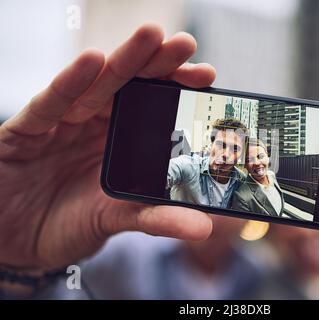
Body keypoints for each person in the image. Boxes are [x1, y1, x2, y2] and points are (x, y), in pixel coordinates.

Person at [0, 23, 217, 297]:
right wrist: (19, 262)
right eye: (219, 145)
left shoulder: (260, 274)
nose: (223, 154)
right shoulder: (127, 253)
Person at [167, 118, 247, 208]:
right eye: (221, 145)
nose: (226, 154)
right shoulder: (188, 166)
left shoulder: (242, 180)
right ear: (211, 144)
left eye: (235, 149)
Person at [231, 138, 284, 217]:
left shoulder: (271, 175)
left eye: (261, 156)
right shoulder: (241, 197)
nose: (257, 162)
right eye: (249, 159)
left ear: (268, 157)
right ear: (245, 165)